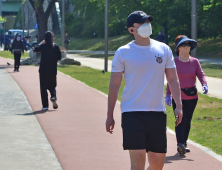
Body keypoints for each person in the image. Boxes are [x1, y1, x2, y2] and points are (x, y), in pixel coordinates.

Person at [106, 11, 183, 170]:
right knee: (138, 159)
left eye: (147, 22)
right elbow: (114, 85)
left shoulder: (163, 49)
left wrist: (179, 106)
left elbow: (173, 79)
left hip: (156, 112)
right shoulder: (123, 52)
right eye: (141, 23)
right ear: (131, 30)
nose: (146, 25)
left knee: (157, 163)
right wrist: (109, 115)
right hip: (132, 112)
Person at [165, 35, 208, 155]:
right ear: (178, 48)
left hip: (192, 97)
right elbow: (170, 79)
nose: (187, 46)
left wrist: (204, 84)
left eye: (189, 45)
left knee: (187, 120)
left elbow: (201, 74)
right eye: (184, 44)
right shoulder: (174, 62)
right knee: (179, 119)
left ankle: (184, 143)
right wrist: (168, 94)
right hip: (177, 97)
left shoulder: (195, 61)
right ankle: (180, 144)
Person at [33, 31, 61, 111]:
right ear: (52, 37)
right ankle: (53, 97)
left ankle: (45, 106)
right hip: (52, 70)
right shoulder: (56, 46)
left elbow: (35, 49)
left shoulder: (43, 46)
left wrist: (41, 42)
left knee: (43, 88)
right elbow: (59, 58)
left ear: (45, 38)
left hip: (43, 70)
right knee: (52, 86)